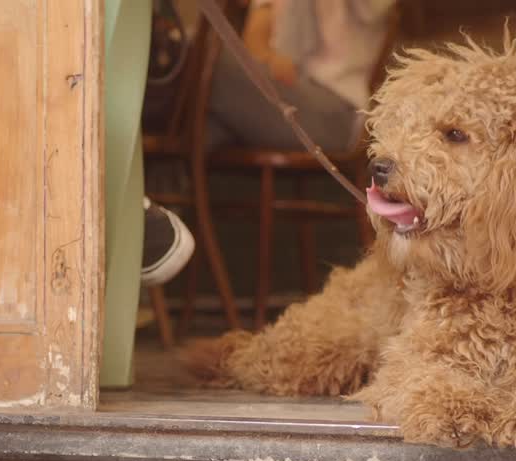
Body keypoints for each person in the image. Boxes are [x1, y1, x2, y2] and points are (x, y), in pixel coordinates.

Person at [140, 0, 397, 287]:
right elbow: (257, 48)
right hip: (269, 98)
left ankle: (146, 228)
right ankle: (147, 238)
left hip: (332, 110)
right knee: (199, 114)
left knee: (194, 59)